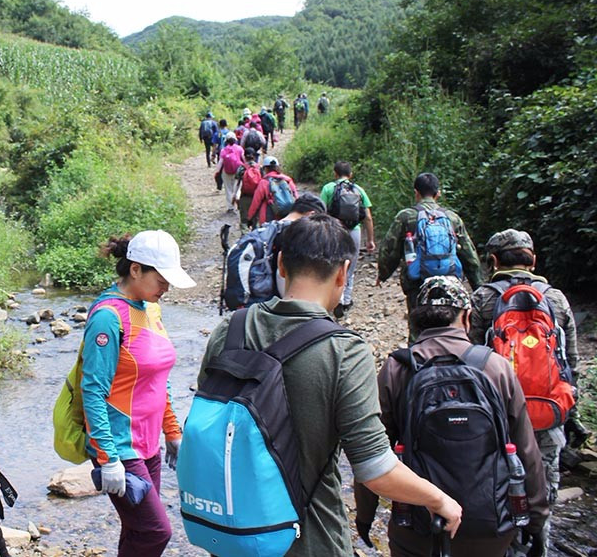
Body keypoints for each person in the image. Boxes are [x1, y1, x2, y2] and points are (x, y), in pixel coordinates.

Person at [198, 215, 463, 557]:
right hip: (310, 540)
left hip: (231, 533)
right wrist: (438, 499)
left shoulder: (229, 329)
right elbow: (374, 469)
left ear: (280, 264)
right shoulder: (344, 351)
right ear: (343, 272)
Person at [358, 276, 548, 557]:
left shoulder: (396, 370)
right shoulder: (495, 367)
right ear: (467, 317)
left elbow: (373, 454)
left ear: (416, 320)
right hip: (492, 526)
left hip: (418, 527)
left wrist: (364, 516)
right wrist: (536, 518)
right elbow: (527, 451)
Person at [469, 229, 583, 556]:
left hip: (499, 416)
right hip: (547, 415)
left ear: (493, 261)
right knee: (543, 489)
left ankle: (506, 547)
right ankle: (539, 545)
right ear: (533, 259)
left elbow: (472, 360)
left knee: (499, 487)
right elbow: (569, 363)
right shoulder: (556, 299)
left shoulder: (484, 299)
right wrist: (570, 416)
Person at [82, 230, 195, 556]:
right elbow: (93, 390)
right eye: (161, 278)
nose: (167, 287)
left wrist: (171, 432)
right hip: (119, 447)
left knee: (138, 531)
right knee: (155, 533)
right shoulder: (108, 317)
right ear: (135, 269)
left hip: (148, 445)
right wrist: (108, 459)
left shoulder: (151, 309)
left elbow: (160, 380)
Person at [376, 172, 484, 329]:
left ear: (416, 192)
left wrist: (383, 273)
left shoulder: (406, 217)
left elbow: (390, 249)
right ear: (438, 193)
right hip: (449, 281)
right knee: (449, 323)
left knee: (418, 326)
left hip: (417, 281)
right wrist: (478, 286)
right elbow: (469, 255)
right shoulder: (452, 218)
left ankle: (417, 350)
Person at [320, 161, 375, 318]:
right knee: (350, 266)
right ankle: (346, 300)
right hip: (354, 231)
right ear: (350, 175)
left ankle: (336, 298)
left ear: (335, 173)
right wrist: (370, 240)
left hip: (335, 229)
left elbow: (321, 212)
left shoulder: (328, 188)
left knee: (334, 263)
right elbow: (368, 218)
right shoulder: (358, 189)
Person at [246, 155, 298, 226]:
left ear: (265, 168)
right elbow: (296, 196)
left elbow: (256, 202)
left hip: (269, 217)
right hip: (287, 216)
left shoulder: (264, 182)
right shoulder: (287, 179)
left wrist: (249, 218)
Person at [231, 148, 262, 231]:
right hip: (257, 198)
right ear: (254, 157)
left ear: (244, 157)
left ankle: (245, 238)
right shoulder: (260, 168)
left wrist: (234, 197)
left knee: (244, 221)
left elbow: (236, 184)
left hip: (244, 197)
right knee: (256, 221)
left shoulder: (241, 168)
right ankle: (255, 240)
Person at [214, 134, 244, 212]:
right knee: (237, 187)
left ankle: (230, 207)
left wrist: (217, 172)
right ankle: (237, 197)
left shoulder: (224, 150)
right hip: (238, 170)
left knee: (228, 189)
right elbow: (243, 159)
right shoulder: (239, 148)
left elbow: (220, 162)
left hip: (226, 171)